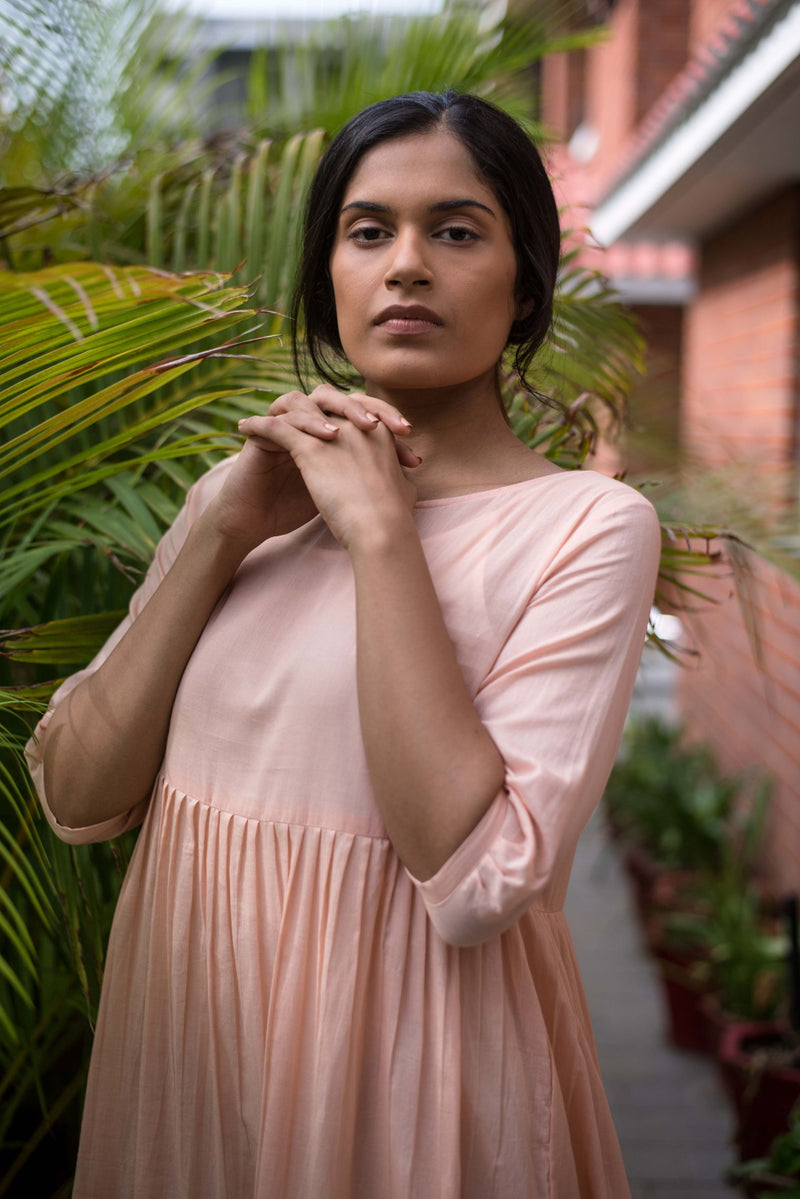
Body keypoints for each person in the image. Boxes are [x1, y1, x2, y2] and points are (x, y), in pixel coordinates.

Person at [27, 91, 660, 1198]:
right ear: (329, 270)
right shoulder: (243, 501)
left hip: (406, 1082)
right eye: (368, 231)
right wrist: (220, 533)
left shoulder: (587, 529)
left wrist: (379, 532)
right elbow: (76, 796)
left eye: (454, 231)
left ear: (523, 286)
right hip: (193, 1058)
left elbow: (473, 879)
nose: (404, 264)